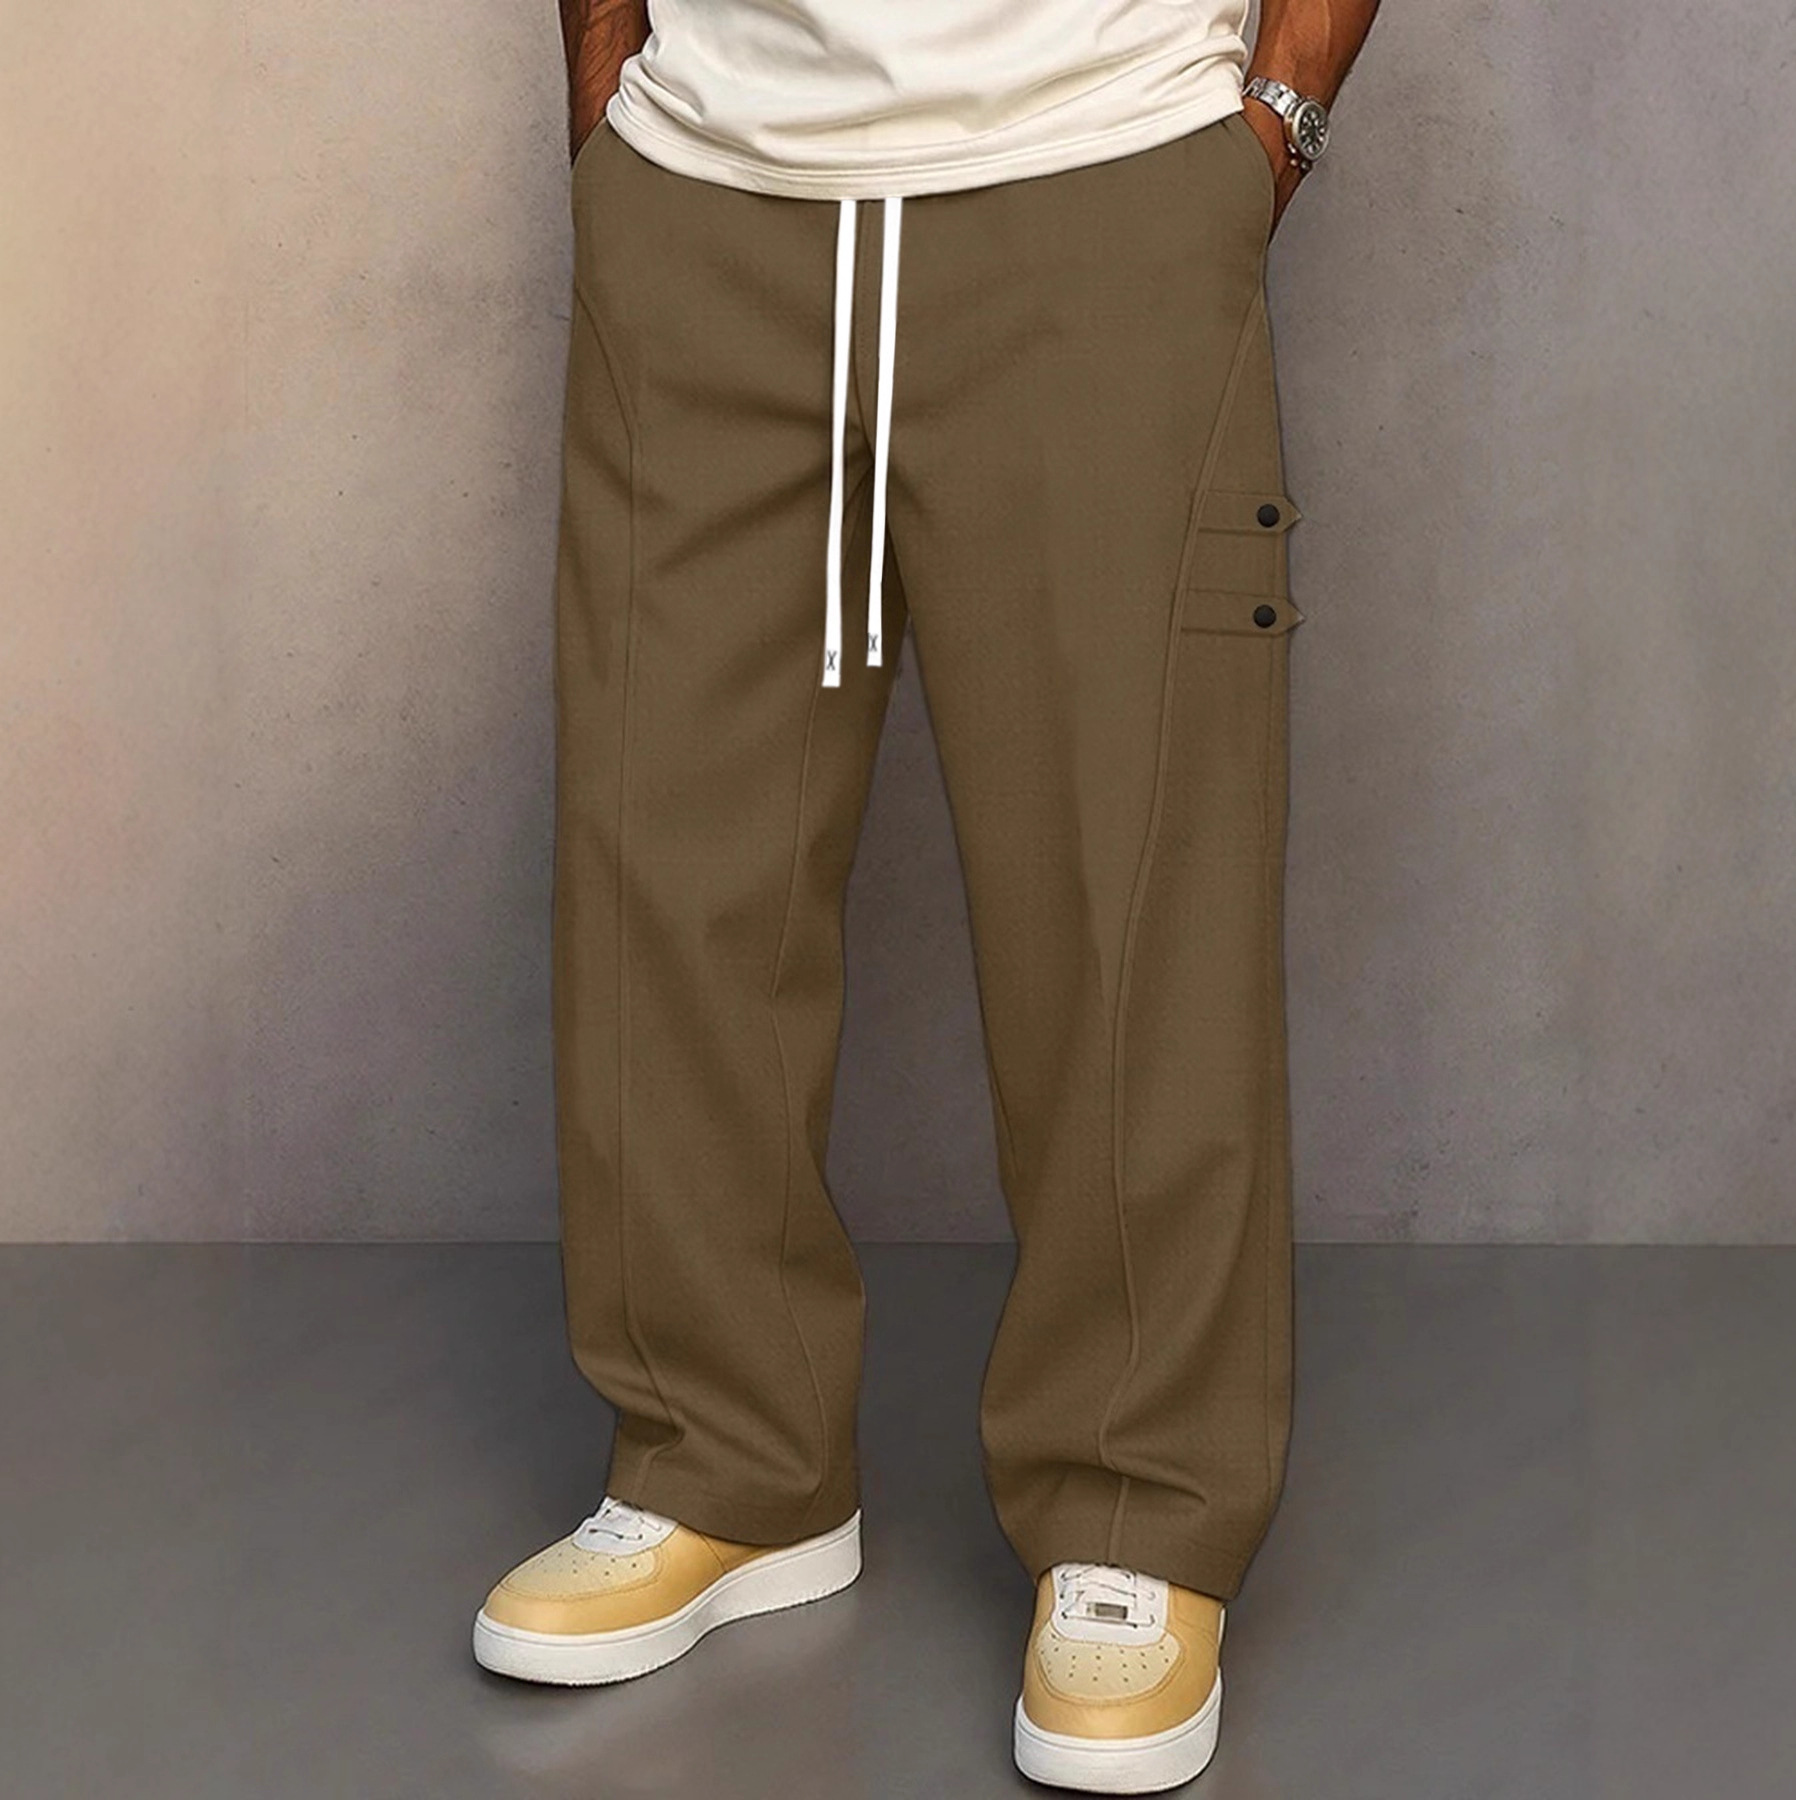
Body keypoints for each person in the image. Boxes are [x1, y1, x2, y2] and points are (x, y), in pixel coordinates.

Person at [474, 0, 1377, 1788]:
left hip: (1097, 171)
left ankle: (1139, 1507)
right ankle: (723, 1461)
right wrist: (608, 101)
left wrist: (1276, 119)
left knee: (1128, 894)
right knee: (668, 872)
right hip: (707, 194)